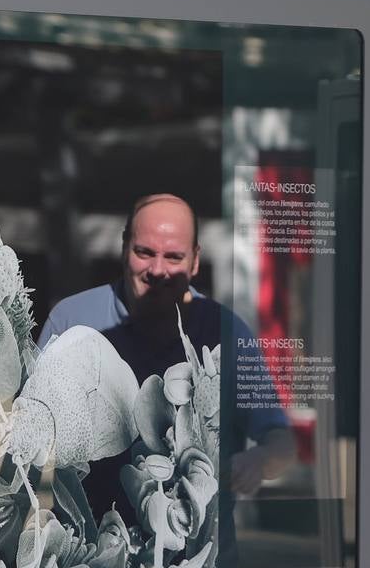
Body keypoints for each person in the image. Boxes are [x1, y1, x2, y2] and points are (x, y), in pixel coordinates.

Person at [38, 192, 295, 514]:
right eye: (144, 252)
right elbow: (33, 429)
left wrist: (258, 460)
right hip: (88, 546)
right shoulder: (73, 319)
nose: (157, 269)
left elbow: (281, 441)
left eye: (173, 257)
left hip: (195, 552)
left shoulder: (225, 331)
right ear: (123, 247)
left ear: (195, 260)